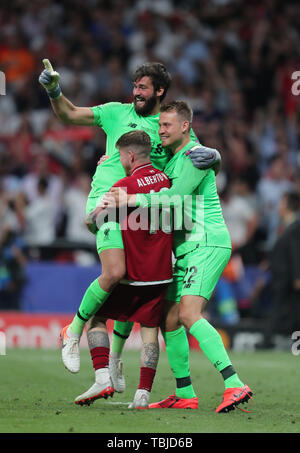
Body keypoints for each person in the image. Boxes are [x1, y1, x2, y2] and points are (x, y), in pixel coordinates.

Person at [38, 59, 220, 380]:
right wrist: (54, 90)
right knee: (116, 272)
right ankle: (73, 331)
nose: (136, 93)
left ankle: (116, 359)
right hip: (109, 202)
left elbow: (193, 157)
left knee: (133, 282)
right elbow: (69, 114)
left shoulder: (165, 128)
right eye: (134, 86)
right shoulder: (114, 112)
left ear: (159, 91)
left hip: (143, 211)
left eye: (143, 88)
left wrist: (215, 157)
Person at [105, 101, 253, 413]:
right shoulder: (173, 161)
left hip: (206, 242)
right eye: (159, 126)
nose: (161, 131)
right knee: (167, 317)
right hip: (186, 249)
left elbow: (172, 201)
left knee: (188, 314)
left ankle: (235, 384)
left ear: (185, 126)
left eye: (167, 126)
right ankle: (185, 392)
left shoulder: (194, 156)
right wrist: (109, 162)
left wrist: (130, 197)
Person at [74, 130, 173, 409]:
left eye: (120, 155)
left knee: (94, 319)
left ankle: (103, 375)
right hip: (162, 272)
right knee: (150, 332)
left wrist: (93, 218)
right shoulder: (166, 180)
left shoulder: (123, 186)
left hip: (134, 274)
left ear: (130, 155)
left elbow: (94, 220)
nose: (120, 160)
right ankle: (143, 394)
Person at [259, 191, 300, 348]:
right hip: (281, 278)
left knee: (282, 311)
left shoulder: (295, 228)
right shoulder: (284, 227)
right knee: (289, 311)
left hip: (288, 279)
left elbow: (296, 254)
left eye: (281, 203)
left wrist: (297, 277)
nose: (278, 207)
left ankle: (267, 341)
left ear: (288, 206)